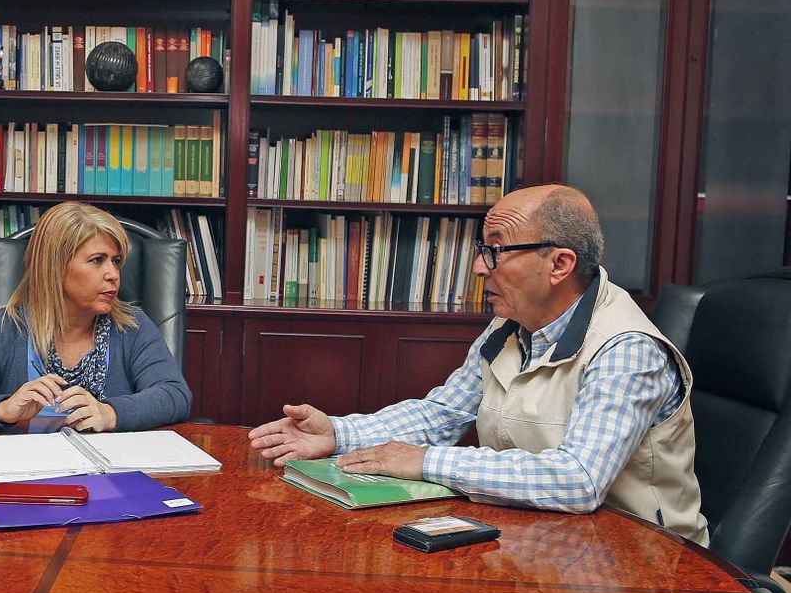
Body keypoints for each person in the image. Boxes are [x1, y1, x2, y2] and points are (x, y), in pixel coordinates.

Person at [249, 184, 707, 542]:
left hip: (643, 566)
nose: (478, 267)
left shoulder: (627, 348)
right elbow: (443, 414)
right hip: (544, 540)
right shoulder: (511, 325)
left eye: (496, 250)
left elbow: (577, 481)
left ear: (560, 264)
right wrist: (338, 433)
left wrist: (427, 462)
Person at [0, 202, 191, 432]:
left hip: (110, 475)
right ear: (55, 268)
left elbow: (174, 394)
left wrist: (110, 413)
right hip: (26, 476)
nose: (113, 274)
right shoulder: (7, 326)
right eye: (97, 260)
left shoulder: (131, 326)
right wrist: (2, 408)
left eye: (116, 261)